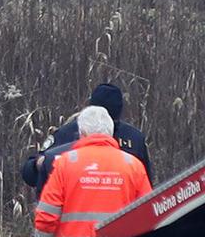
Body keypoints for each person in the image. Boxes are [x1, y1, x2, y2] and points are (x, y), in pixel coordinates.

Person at [33, 105, 152, 237]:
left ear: (81, 133)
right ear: (111, 133)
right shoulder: (133, 165)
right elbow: (147, 215)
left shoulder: (65, 162)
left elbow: (47, 215)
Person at [21, 82, 152, 196]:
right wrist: (38, 165)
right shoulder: (67, 134)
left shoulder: (134, 139)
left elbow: (145, 188)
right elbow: (30, 174)